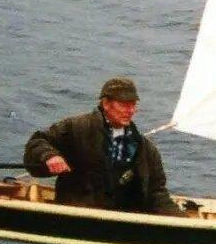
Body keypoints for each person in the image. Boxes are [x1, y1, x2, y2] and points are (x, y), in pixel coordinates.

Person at [23, 77, 186, 216]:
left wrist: (182, 220)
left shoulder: (146, 149)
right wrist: (49, 156)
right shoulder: (76, 128)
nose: (130, 110)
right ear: (106, 103)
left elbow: (157, 194)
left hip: (125, 223)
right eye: (124, 104)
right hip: (77, 217)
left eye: (133, 105)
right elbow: (38, 141)